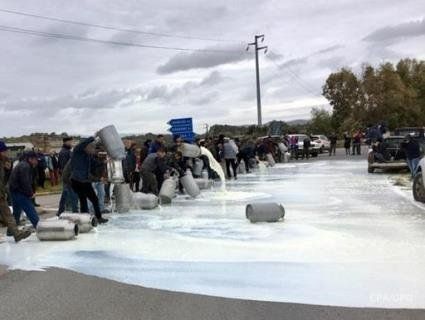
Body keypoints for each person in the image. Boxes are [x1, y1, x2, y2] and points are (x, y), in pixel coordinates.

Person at [70, 136, 108, 224]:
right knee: (94, 199)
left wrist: (103, 163)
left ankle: (84, 219)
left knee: (83, 200)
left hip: (83, 181)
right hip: (78, 181)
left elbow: (95, 164)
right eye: (91, 148)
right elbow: (82, 143)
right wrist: (93, 137)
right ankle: (98, 218)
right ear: (86, 147)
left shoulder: (88, 156)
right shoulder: (78, 151)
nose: (93, 150)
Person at [0, 142, 32, 242]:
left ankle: (16, 233)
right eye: (4, 151)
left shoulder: (3, 162)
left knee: (8, 215)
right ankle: (16, 234)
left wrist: (7, 169)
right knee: (7, 215)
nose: (6, 153)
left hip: (1, 193)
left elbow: (4, 179)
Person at [9, 151, 40, 228]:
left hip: (14, 190)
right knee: (30, 209)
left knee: (16, 213)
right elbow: (25, 182)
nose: (37, 161)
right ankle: (40, 228)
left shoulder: (23, 164)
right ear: (30, 159)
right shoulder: (25, 166)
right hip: (19, 191)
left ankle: (10, 231)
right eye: (36, 159)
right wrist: (30, 194)